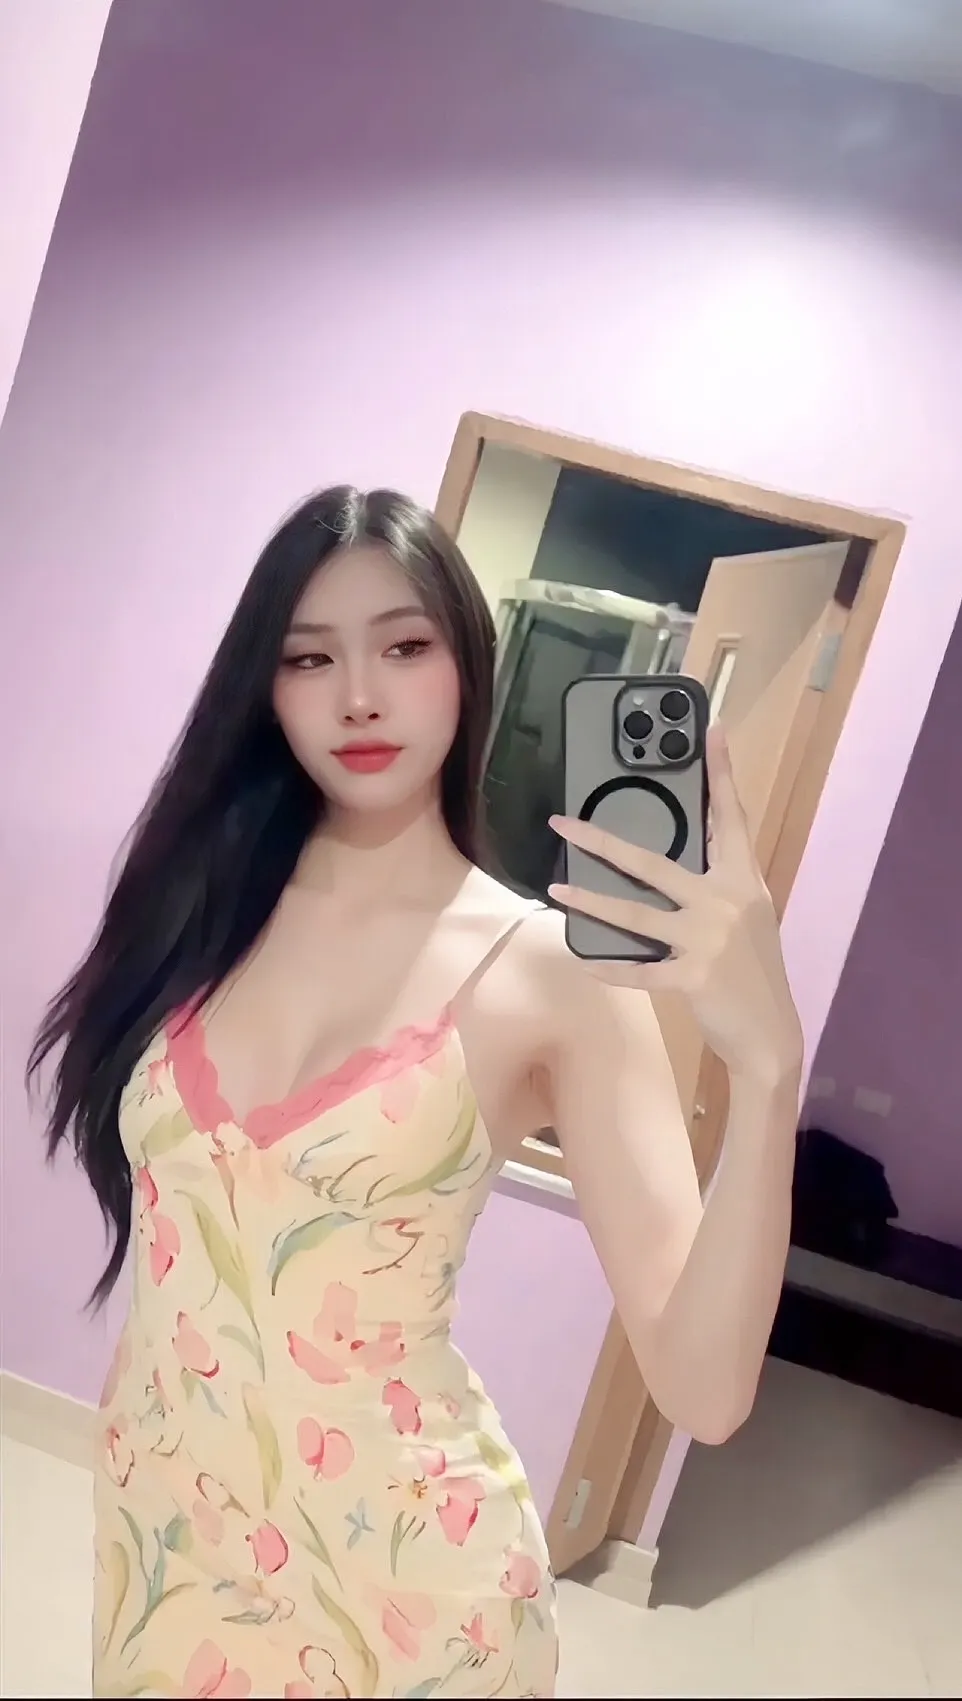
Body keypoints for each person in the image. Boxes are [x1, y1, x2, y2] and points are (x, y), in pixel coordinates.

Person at [30, 487, 804, 1699]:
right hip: (169, 1544)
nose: (358, 696)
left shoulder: (546, 974)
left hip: (418, 1595)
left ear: (467, 666)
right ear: (264, 688)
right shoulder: (196, 914)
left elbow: (702, 1392)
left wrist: (766, 1071)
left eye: (403, 646)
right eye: (308, 658)